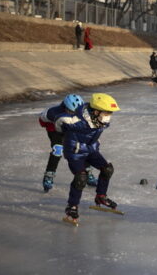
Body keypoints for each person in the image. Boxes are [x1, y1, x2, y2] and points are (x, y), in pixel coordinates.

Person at [58, 93, 121, 225]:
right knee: (81, 177)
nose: (108, 116)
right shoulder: (76, 121)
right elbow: (59, 120)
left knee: (107, 169)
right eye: (106, 113)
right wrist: (60, 136)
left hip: (91, 150)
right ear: (96, 111)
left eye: (110, 113)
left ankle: (101, 196)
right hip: (75, 152)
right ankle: (72, 206)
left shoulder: (100, 120)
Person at [38, 94, 97, 192]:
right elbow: (41, 121)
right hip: (54, 129)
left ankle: (88, 173)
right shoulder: (52, 113)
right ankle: (49, 175)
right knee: (58, 150)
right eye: (71, 111)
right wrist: (53, 127)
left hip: (71, 128)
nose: (74, 113)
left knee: (82, 147)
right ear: (65, 107)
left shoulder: (83, 112)